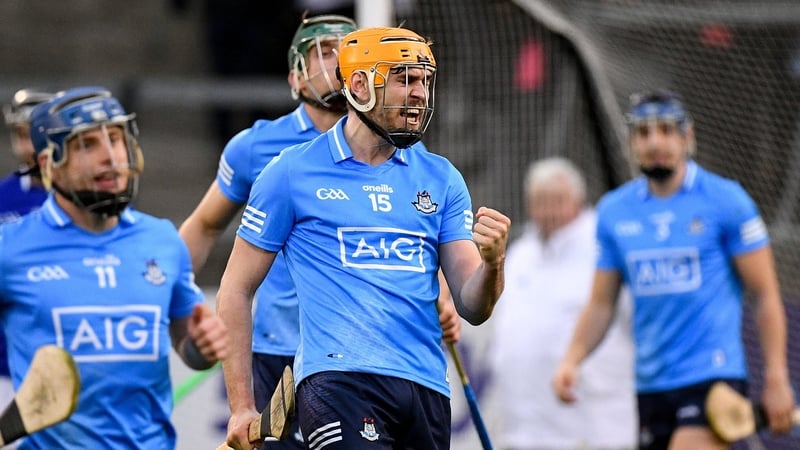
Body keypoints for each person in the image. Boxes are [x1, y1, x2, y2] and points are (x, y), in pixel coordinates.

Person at [217, 26, 510, 450]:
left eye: (425, 81)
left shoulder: (442, 178)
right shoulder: (291, 171)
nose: (419, 94)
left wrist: (494, 264)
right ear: (358, 84)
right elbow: (235, 289)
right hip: (338, 381)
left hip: (426, 385)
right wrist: (242, 405)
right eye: (404, 79)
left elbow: (472, 305)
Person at [552, 90, 795, 450]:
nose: (656, 142)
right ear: (632, 141)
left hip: (713, 377)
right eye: (644, 133)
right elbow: (602, 303)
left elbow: (765, 295)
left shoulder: (727, 200)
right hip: (651, 385)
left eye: (667, 130)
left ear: (687, 136)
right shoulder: (614, 212)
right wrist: (571, 359)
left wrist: (776, 376)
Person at [0, 86, 229, 449]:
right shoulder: (8, 248)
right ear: (48, 164)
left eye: (117, 140)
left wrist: (201, 348)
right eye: (86, 145)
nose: (110, 157)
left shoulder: (162, 240)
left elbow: (187, 345)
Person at [488, 157, 636, 450]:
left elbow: (637, 322)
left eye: (557, 200)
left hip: (595, 428)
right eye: (539, 201)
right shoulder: (520, 254)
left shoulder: (602, 245)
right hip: (524, 430)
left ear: (578, 200)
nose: (548, 211)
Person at [0, 89, 55, 450]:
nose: (25, 146)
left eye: (32, 135)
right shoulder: (5, 196)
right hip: (6, 365)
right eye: (19, 135)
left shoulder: (86, 203)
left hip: (61, 363)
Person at [0, 89, 54, 224]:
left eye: (40, 136)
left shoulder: (88, 194)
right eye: (23, 136)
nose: (31, 148)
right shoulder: (3, 195)